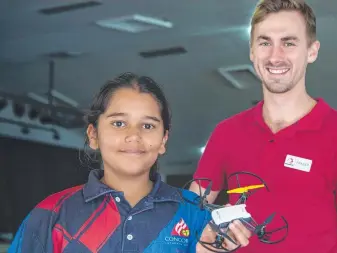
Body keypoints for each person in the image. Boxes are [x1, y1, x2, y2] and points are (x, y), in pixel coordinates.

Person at [190, 0, 337, 252]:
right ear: (252, 51)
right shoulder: (227, 133)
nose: (275, 56)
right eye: (265, 42)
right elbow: (187, 221)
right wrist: (209, 234)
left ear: (312, 51)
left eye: (289, 43)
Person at [8, 72, 251, 253]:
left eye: (148, 126)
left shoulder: (197, 214)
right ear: (93, 135)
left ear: (163, 139)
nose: (133, 136)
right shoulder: (51, 214)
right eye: (118, 123)